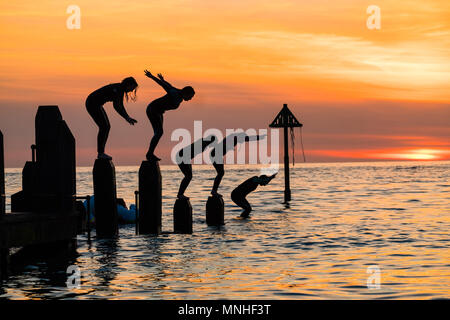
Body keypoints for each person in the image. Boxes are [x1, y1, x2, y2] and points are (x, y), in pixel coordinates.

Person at [144, 69, 195, 161]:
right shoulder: (175, 94)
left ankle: (150, 153)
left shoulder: (178, 93)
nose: (190, 99)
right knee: (159, 132)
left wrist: (163, 79)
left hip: (158, 112)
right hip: (152, 109)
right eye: (190, 96)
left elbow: (168, 85)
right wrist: (152, 77)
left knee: (159, 133)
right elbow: (163, 86)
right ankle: (149, 154)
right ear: (186, 93)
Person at [86, 77, 138, 160]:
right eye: (132, 88)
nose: (132, 91)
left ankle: (101, 152)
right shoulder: (119, 89)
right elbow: (117, 106)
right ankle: (100, 153)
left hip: (95, 104)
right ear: (128, 85)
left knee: (106, 127)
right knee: (104, 127)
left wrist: (127, 117)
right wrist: (126, 117)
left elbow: (120, 106)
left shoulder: (119, 89)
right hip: (92, 103)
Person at [209, 132, 266, 197]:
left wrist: (259, 137)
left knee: (221, 173)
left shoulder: (235, 138)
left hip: (216, 155)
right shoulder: (234, 137)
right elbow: (245, 138)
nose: (242, 142)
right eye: (242, 140)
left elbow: (248, 139)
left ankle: (214, 191)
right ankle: (214, 191)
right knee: (221, 173)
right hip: (215, 154)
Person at [175, 135, 216, 200]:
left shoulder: (204, 143)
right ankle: (180, 194)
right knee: (188, 176)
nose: (211, 143)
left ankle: (180, 194)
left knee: (189, 176)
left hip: (186, 158)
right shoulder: (202, 143)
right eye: (212, 141)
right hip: (182, 156)